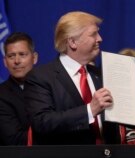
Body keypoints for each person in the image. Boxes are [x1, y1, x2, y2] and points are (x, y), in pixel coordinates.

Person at [24, 11, 118, 145]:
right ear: (73, 42)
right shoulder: (40, 77)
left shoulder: (101, 75)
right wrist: (89, 110)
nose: (100, 39)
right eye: (93, 34)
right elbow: (43, 122)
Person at [0, 32, 38, 145]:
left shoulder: (50, 87)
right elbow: (15, 139)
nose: (16, 61)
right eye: (11, 56)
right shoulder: (1, 95)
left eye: (22, 54)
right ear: (5, 62)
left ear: (34, 58)